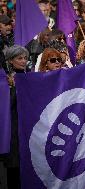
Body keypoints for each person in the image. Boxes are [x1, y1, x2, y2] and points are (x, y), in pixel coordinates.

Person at [1, 45, 30, 189]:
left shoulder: (29, 76)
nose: (23, 61)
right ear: (10, 61)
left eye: (25, 58)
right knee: (14, 167)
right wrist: (13, 88)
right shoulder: (5, 80)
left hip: (28, 127)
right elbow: (6, 105)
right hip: (13, 128)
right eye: (19, 58)